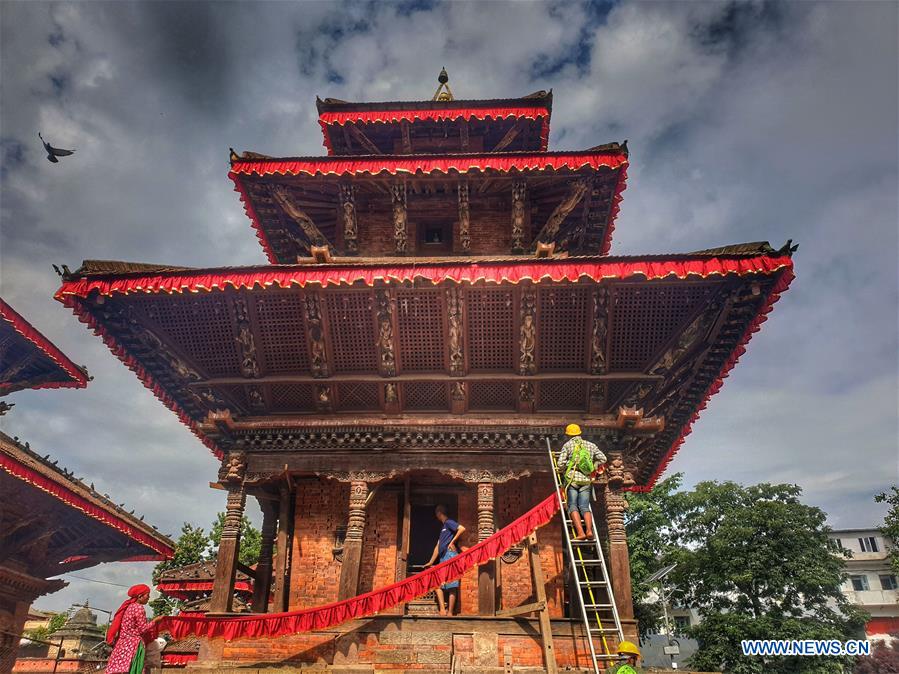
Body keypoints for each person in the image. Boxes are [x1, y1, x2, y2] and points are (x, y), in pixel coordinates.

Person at [557, 423, 606, 540]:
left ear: (569, 434)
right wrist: (594, 466)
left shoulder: (568, 445)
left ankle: (580, 533)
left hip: (572, 480)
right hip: (586, 480)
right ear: (579, 433)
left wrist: (563, 469)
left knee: (572, 506)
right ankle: (589, 531)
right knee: (584, 507)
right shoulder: (591, 445)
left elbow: (560, 464)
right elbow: (603, 458)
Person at [423, 504, 466, 615]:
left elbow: (461, 529)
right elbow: (437, 547)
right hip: (443, 558)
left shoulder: (448, 522)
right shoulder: (443, 528)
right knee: (437, 583)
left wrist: (452, 542)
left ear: (439, 513)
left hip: (450, 555)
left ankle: (450, 612)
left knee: (452, 585)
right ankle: (442, 609)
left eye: (436, 514)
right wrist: (431, 561)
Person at [105, 584, 157, 674]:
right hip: (133, 645)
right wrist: (155, 621)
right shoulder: (139, 608)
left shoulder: (128, 607)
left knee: (119, 669)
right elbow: (143, 629)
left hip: (121, 645)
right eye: (147, 595)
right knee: (134, 669)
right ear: (140, 596)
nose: (149, 598)